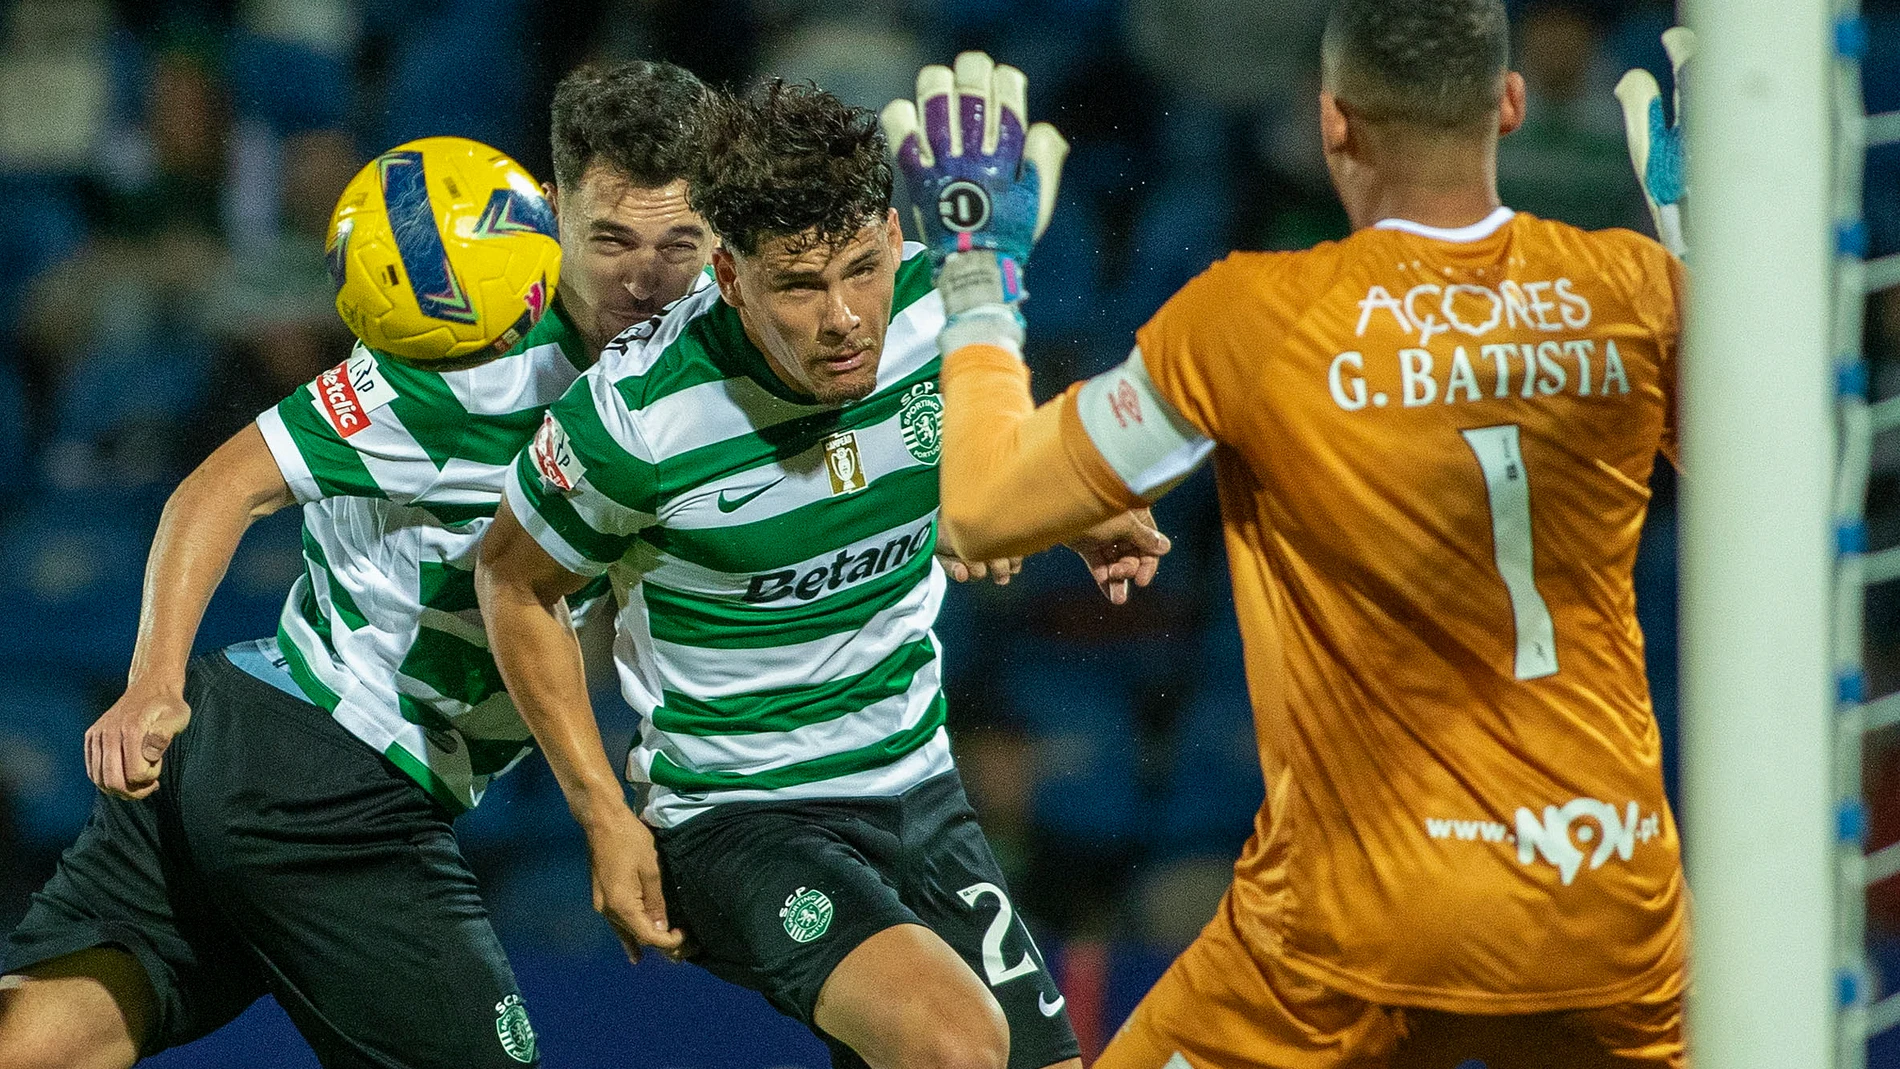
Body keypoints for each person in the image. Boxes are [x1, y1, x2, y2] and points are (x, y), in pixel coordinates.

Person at [890, 5, 1687, 1065]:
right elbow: (1780, 483)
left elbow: (980, 508)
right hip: (1604, 900)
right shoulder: (1631, 289)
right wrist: (1721, 272)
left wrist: (977, 279)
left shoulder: (1254, 321)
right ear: (1507, 105)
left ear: (1332, 126)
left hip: (1349, 924)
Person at [0, 60, 716, 1069]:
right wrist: (151, 682)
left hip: (262, 750)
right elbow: (216, 487)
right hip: (329, 774)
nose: (645, 279)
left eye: (677, 245)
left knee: (45, 1043)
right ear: (552, 219)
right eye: (610, 242)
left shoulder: (709, 356)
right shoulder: (458, 361)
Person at [475, 79, 1161, 1069]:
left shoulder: (936, 311)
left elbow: (993, 460)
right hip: (738, 816)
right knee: (955, 1042)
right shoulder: (635, 417)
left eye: (862, 269)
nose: (844, 318)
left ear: (893, 232)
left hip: (918, 787)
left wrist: (1061, 510)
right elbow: (515, 585)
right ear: (729, 271)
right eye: (798, 285)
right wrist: (601, 814)